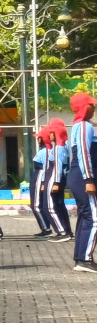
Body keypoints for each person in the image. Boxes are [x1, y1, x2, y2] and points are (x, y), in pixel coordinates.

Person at [65, 92, 97, 274]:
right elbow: (85, 154)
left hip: (78, 175)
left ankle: (81, 257)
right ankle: (85, 259)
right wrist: (89, 180)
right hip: (82, 176)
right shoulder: (85, 126)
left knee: (86, 217)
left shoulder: (81, 126)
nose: (94, 108)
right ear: (86, 107)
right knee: (93, 218)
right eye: (91, 105)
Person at [47, 118, 73, 242]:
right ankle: (67, 230)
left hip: (56, 178)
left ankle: (63, 231)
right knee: (60, 205)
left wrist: (56, 183)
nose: (50, 135)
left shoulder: (58, 148)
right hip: (61, 178)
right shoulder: (63, 146)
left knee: (54, 205)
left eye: (52, 133)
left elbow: (58, 166)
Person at [29, 126, 54, 238]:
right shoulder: (43, 150)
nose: (37, 139)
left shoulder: (47, 151)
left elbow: (47, 168)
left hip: (40, 177)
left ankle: (46, 228)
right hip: (36, 177)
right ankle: (45, 227)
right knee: (36, 204)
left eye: (39, 137)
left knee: (36, 205)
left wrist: (44, 183)